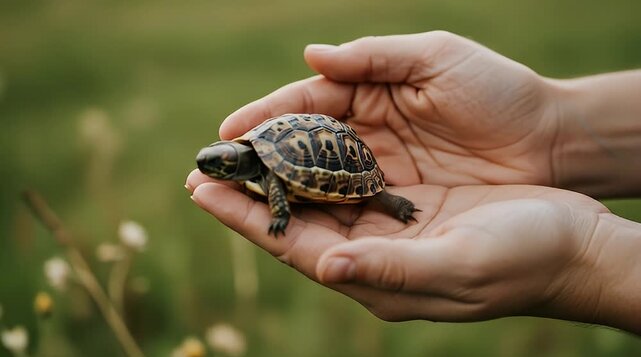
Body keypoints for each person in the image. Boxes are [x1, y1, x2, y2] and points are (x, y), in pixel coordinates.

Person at [185, 31, 641, 335]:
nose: (215, 167)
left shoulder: (269, 173)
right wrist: (549, 129)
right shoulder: (251, 153)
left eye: (218, 164)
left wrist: (591, 257)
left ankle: (394, 203)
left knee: (376, 197)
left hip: (339, 163)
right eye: (215, 163)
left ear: (236, 163)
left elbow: (278, 184)